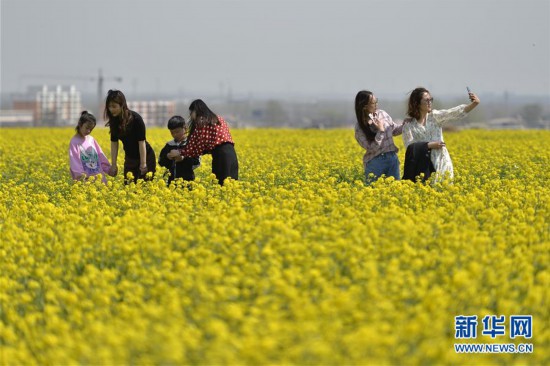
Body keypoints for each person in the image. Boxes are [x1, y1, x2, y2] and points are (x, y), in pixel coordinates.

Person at [402, 87, 480, 181]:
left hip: (442, 161)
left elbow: (453, 113)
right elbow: (409, 147)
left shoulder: (435, 116)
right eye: (426, 100)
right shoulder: (409, 125)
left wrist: (474, 104)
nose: (430, 102)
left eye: (431, 99)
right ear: (417, 102)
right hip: (423, 166)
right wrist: (429, 145)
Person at [167, 99, 238, 185]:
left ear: (195, 111)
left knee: (221, 184)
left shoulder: (201, 121)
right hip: (231, 153)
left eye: (191, 113)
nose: (190, 116)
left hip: (221, 155)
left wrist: (180, 152)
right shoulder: (217, 118)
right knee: (231, 184)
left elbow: (196, 145)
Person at [104, 89, 156, 183]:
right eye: (109, 107)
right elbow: (114, 143)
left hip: (146, 157)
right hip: (130, 158)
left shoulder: (136, 119)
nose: (111, 109)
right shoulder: (114, 122)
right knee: (128, 186)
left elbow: (141, 142)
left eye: (114, 106)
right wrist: (114, 165)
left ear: (122, 105)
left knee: (144, 188)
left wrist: (143, 164)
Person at [354, 90, 404, 184]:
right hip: (375, 162)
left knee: (395, 192)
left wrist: (406, 124)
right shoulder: (359, 128)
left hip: (392, 159)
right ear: (365, 107)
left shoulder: (382, 114)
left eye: (376, 100)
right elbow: (372, 148)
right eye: (373, 102)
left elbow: (395, 130)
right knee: (373, 194)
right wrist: (380, 130)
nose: (377, 104)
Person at [69, 111, 111, 183]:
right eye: (87, 128)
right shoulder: (74, 142)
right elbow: (74, 161)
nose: (88, 131)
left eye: (91, 129)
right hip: (86, 181)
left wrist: (109, 169)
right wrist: (81, 176)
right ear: (80, 124)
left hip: (99, 179)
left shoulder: (91, 139)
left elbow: (100, 156)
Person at [158, 115, 201, 185]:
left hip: (188, 182)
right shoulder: (169, 145)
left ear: (185, 128)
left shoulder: (191, 144)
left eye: (177, 132)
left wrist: (183, 158)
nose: (174, 134)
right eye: (172, 132)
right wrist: (167, 157)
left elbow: (197, 162)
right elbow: (160, 162)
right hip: (171, 183)